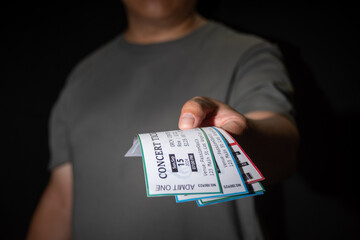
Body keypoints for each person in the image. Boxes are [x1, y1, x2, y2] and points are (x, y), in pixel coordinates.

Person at [27, 0, 299, 239]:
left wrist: (237, 140)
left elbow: (284, 149)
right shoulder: (82, 76)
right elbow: (62, 200)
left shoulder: (250, 54)